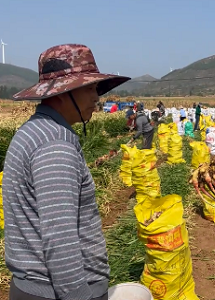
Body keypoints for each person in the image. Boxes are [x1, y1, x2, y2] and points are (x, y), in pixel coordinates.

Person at [2, 44, 130, 300]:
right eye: (91, 88)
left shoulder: (35, 130)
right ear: (62, 93)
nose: (97, 98)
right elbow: (60, 242)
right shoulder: (55, 145)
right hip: (58, 293)